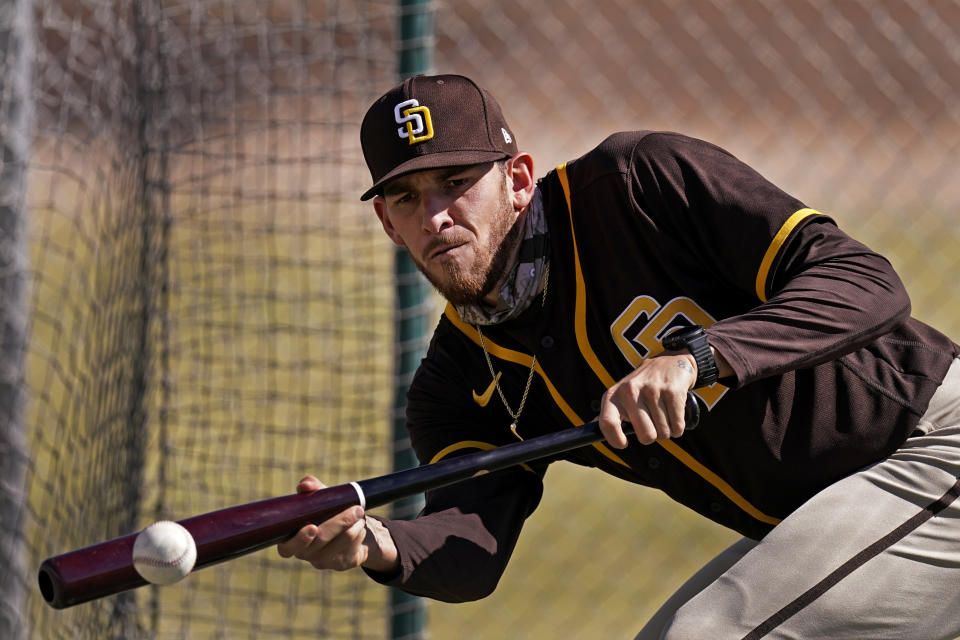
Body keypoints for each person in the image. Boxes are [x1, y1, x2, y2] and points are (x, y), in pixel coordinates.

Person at [277, 74, 960, 639]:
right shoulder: (456, 382)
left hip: (935, 446)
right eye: (406, 197)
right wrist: (374, 544)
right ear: (386, 223)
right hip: (835, 519)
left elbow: (865, 282)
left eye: (457, 181)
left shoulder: (637, 184)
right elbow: (470, 546)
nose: (435, 215)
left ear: (518, 179)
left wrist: (701, 356)